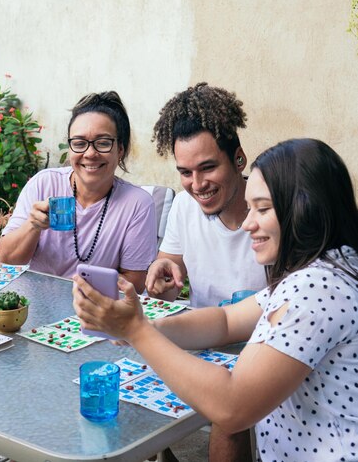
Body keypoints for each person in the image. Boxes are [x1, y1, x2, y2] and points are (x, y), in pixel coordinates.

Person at [73, 138, 358, 462]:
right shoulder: (327, 269)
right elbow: (226, 321)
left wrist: (138, 331)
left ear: (306, 208)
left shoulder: (316, 288)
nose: (249, 223)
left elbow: (232, 406)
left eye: (263, 209)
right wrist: (148, 327)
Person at [0, 91, 157, 293]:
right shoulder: (44, 184)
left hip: (94, 312)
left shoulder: (137, 204)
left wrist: (76, 294)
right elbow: (7, 261)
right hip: (34, 305)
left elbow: (134, 281)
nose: (90, 154)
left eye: (103, 142)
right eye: (80, 143)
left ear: (121, 150)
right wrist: (33, 226)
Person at [146, 82, 266, 308]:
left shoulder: (275, 212)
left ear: (239, 159)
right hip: (200, 339)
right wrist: (158, 278)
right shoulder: (183, 206)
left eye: (208, 168)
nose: (198, 185)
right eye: (185, 172)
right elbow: (165, 292)